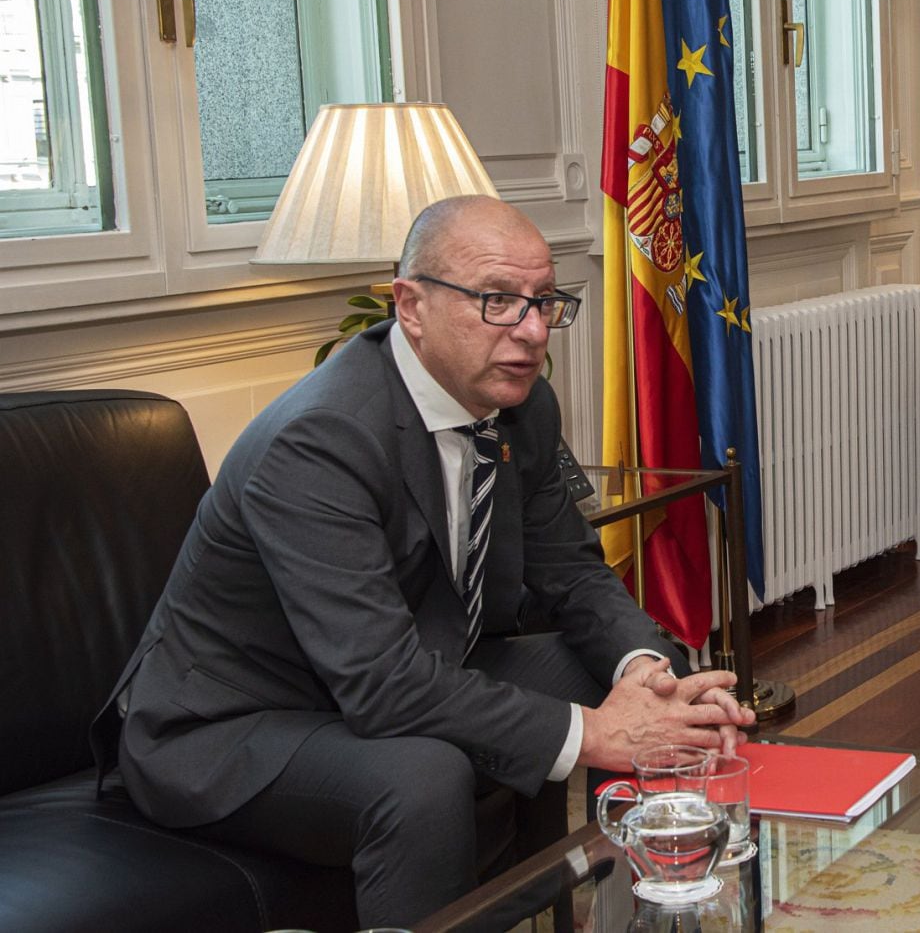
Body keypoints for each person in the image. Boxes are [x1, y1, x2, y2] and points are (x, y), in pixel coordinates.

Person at [91, 194, 755, 927]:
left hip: (381, 673)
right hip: (231, 724)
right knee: (422, 775)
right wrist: (596, 732)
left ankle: (613, 915)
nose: (532, 331)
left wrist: (646, 676)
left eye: (543, 302)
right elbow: (379, 683)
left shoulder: (520, 408)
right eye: (498, 301)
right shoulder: (320, 441)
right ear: (410, 306)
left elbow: (572, 570)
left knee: (594, 669)